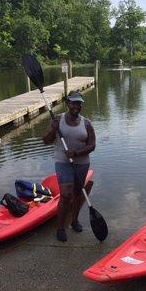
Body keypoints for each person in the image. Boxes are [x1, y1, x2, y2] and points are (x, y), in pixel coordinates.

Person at [43, 91, 95, 242]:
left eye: (79, 103)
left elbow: (92, 145)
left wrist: (76, 153)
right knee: (65, 194)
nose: (76, 106)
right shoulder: (57, 120)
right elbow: (45, 141)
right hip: (63, 161)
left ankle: (74, 221)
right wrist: (52, 129)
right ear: (67, 103)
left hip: (82, 162)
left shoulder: (86, 123)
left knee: (78, 193)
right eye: (73, 103)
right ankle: (60, 227)